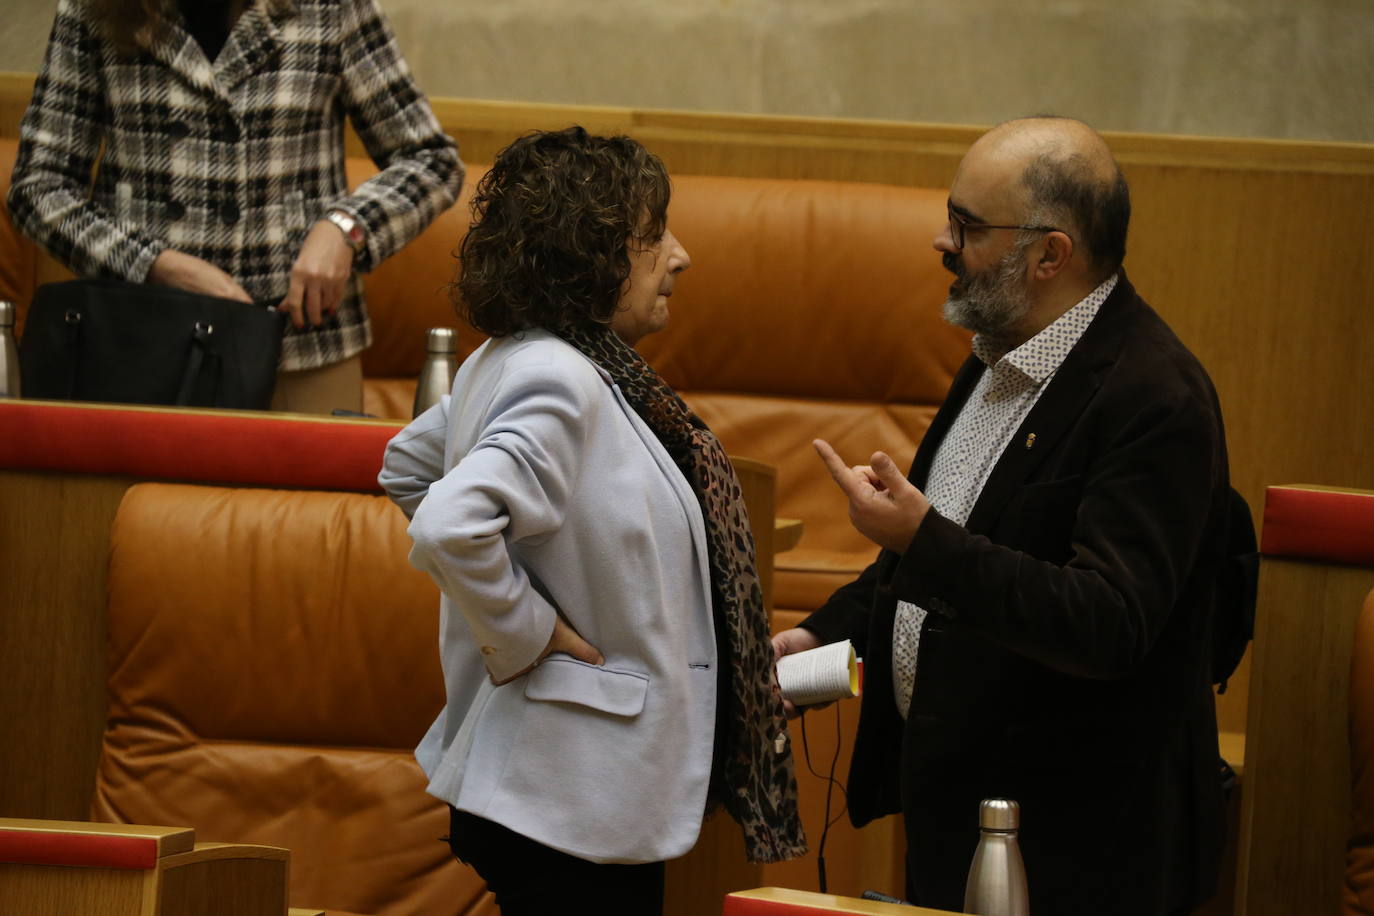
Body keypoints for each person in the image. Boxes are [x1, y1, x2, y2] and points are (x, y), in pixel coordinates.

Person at [773, 116, 1229, 915]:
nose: (941, 242)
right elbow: (938, 556)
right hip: (962, 816)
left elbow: (1109, 619)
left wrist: (922, 539)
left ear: (1050, 254)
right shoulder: (998, 356)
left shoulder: (1156, 398)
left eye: (967, 226)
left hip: (1076, 853)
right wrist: (822, 637)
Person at [378, 127, 805, 915]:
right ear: (592, 252)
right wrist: (531, 629)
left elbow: (406, 465)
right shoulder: (560, 375)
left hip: (564, 781)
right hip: (568, 789)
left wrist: (543, 574)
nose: (680, 256)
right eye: (653, 237)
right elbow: (446, 522)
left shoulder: (516, 356)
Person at [8, 0, 462, 413]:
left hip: (302, 349)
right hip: (141, 344)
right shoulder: (93, 10)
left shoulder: (333, 7)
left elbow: (431, 161)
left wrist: (347, 227)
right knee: (134, 507)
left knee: (310, 505)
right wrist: (154, 265)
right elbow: (38, 186)